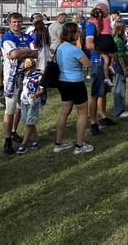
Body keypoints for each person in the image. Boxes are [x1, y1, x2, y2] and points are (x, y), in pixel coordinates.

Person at [53, 23, 93, 155]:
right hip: (76, 82)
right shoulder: (75, 49)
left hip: (63, 82)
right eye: (78, 32)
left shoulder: (60, 47)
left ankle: (58, 143)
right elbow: (87, 63)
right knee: (82, 113)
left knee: (64, 112)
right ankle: (79, 145)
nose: (79, 34)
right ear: (73, 33)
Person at [0, 13, 37, 155]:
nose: (17, 24)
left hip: (26, 78)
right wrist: (28, 52)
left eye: (19, 22)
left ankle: (14, 132)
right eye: (14, 22)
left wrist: (24, 52)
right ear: (9, 23)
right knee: (9, 110)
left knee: (21, 107)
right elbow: (14, 55)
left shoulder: (26, 36)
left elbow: (36, 53)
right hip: (12, 79)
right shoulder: (7, 37)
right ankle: (7, 140)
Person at [84, 3, 118, 136]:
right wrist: (104, 53)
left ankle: (103, 117)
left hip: (102, 62)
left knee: (102, 92)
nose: (107, 13)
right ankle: (93, 123)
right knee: (95, 94)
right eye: (105, 11)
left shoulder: (99, 25)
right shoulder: (92, 26)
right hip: (97, 63)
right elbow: (89, 44)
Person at [17, 59, 43, 154]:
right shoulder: (25, 75)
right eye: (24, 70)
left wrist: (36, 95)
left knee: (29, 122)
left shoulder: (39, 75)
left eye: (27, 69)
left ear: (32, 67)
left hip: (33, 101)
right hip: (24, 100)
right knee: (27, 121)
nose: (25, 72)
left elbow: (42, 89)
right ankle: (36, 141)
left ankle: (23, 144)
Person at [112, 21, 128, 118]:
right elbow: (119, 56)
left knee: (120, 87)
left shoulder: (119, 39)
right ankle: (119, 110)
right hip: (119, 66)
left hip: (119, 65)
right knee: (120, 88)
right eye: (124, 28)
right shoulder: (118, 40)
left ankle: (120, 108)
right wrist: (124, 69)